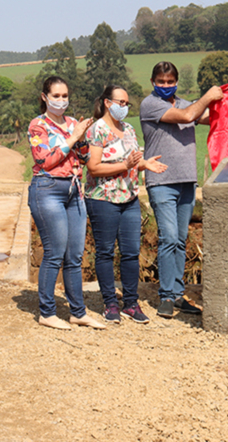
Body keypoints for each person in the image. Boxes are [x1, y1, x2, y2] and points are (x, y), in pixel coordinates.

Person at [139, 62, 224, 318]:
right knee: (167, 238)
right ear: (153, 82)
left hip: (187, 182)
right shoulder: (151, 105)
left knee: (180, 240)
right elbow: (188, 116)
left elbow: (216, 119)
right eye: (161, 82)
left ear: (176, 82)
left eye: (170, 81)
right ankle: (166, 295)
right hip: (162, 181)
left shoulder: (187, 103)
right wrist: (208, 97)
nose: (165, 86)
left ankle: (177, 294)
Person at [27, 76, 105, 330]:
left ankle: (78, 312)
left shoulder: (73, 123)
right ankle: (47, 312)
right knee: (54, 253)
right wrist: (73, 138)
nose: (61, 100)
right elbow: (45, 160)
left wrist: (85, 139)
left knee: (74, 255)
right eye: (56, 96)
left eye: (65, 96)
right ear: (44, 97)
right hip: (48, 189)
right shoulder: (37, 126)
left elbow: (83, 156)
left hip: (74, 190)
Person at [86, 85, 168, 324]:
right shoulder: (96, 130)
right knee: (105, 252)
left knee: (131, 253)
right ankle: (110, 303)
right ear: (107, 103)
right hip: (104, 199)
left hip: (130, 198)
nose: (123, 107)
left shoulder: (129, 129)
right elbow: (93, 167)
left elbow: (133, 162)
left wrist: (145, 164)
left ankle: (131, 303)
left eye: (126, 104)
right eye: (119, 103)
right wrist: (125, 165)